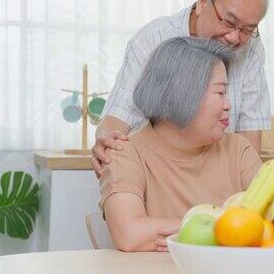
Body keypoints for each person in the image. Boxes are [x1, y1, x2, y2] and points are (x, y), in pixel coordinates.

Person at [93, 0, 271, 177]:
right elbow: (119, 115)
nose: (235, 37)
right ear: (203, 1)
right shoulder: (154, 38)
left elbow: (250, 136)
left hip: (218, 178)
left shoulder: (250, 48)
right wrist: (107, 140)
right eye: (229, 22)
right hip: (153, 175)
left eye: (248, 29)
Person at [100, 37, 262, 252]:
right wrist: (231, 231)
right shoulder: (125, 153)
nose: (228, 105)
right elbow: (129, 234)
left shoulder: (238, 150)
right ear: (184, 94)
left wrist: (184, 234)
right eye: (220, 92)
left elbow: (271, 225)